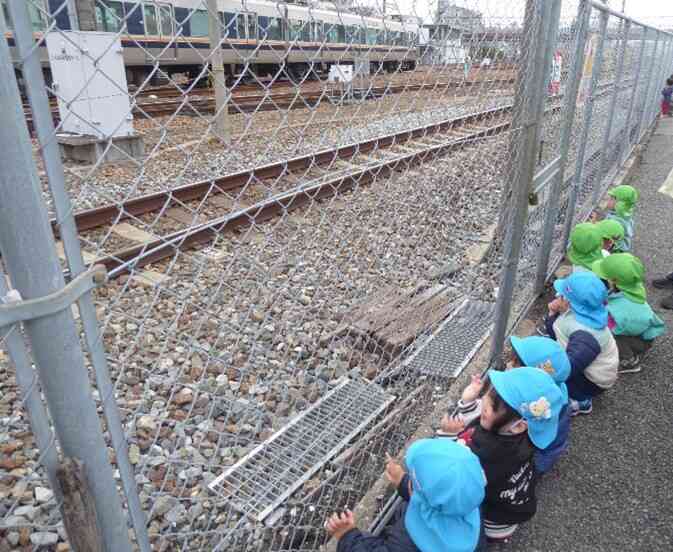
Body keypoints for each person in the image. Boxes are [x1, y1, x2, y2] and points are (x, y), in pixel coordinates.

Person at [439, 367, 564, 542]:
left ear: (519, 426)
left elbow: (450, 465)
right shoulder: (526, 437)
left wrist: (447, 436)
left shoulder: (487, 453)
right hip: (516, 507)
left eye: (486, 409)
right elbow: (483, 423)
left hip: (494, 522)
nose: (482, 401)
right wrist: (468, 402)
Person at [325, 438, 486, 552]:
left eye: (412, 478)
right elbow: (437, 498)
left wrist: (347, 536)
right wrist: (403, 482)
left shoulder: (405, 542)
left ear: (415, 492)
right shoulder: (468, 507)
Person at [545, 272, 619, 416]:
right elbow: (556, 334)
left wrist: (547, 373)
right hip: (584, 366)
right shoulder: (583, 314)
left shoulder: (585, 336)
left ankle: (581, 401)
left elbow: (569, 367)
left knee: (553, 385)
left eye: (559, 294)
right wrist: (552, 313)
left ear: (567, 301)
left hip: (592, 381)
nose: (556, 296)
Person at [591, 254, 665, 373]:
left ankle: (630, 360)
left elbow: (624, 327)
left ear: (614, 281)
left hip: (638, 340)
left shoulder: (625, 309)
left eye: (604, 277)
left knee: (609, 334)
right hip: (637, 332)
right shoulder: (631, 287)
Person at [509, 336, 571, 474]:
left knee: (532, 469)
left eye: (515, 363)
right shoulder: (555, 390)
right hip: (551, 443)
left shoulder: (538, 407)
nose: (509, 365)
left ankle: (532, 473)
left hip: (543, 451)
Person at [605, 184, 639, 252]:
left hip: (613, 251)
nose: (607, 200)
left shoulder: (615, 222)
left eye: (611, 199)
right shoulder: (625, 215)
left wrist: (593, 223)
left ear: (620, 205)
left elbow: (604, 238)